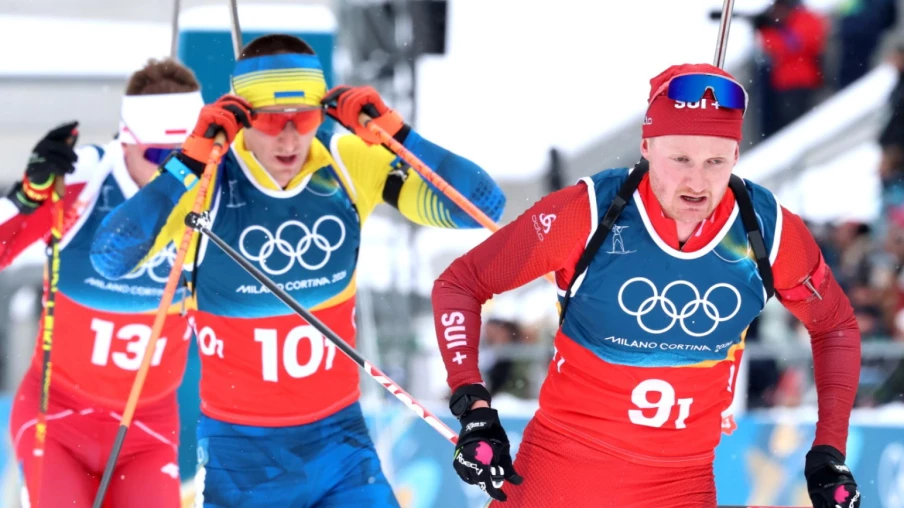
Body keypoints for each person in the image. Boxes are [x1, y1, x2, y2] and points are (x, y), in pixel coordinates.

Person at [90, 34, 505, 507]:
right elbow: (111, 257)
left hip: (340, 442)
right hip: (245, 456)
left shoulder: (348, 163)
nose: (288, 137)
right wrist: (187, 161)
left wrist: (396, 134)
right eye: (269, 120)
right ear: (242, 116)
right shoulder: (208, 181)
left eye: (303, 118)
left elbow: (480, 206)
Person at [431, 63, 862, 507]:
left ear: (736, 155)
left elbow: (836, 326)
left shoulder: (765, 231)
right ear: (647, 147)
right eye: (680, 159)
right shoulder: (591, 212)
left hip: (681, 485)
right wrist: (473, 406)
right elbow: (461, 283)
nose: (697, 181)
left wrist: (828, 451)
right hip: (561, 475)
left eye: (715, 161)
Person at [4, 58, 204, 507]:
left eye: (187, 159)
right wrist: (26, 198)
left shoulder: (208, 196)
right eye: (159, 157)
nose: (175, 175)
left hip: (148, 429)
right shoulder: (84, 180)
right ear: (126, 141)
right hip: (57, 419)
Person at [753, 0, 828, 137]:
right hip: (784, 85)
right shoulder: (786, 24)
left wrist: (770, 30)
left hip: (802, 83)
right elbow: (769, 48)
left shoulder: (806, 19)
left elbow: (793, 45)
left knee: (797, 127)